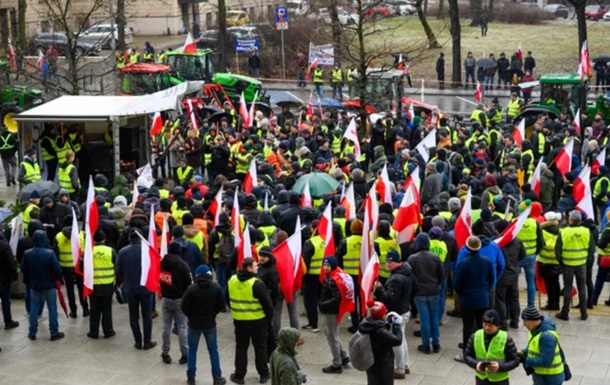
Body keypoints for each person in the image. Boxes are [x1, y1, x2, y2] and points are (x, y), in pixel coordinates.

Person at [227, 257, 273, 384]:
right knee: (260, 349)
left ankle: (239, 375)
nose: (258, 267)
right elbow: (268, 305)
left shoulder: (232, 280)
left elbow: (227, 299)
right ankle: (264, 374)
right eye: (255, 266)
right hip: (258, 322)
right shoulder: (257, 284)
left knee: (241, 348)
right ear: (249, 268)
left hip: (240, 321)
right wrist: (268, 318)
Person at [373, 249, 415, 379]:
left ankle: (399, 369)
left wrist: (380, 289)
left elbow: (389, 298)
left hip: (395, 313)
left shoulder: (396, 278)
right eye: (386, 262)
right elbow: (416, 288)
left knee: (396, 342)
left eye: (389, 262)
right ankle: (405, 365)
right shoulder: (408, 272)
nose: (387, 264)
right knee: (402, 339)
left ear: (396, 262)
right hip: (404, 309)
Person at [182, 264, 227, 385]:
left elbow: (184, 306)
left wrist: (191, 316)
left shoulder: (192, 289)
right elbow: (221, 305)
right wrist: (212, 314)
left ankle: (191, 377)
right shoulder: (216, 288)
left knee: (192, 351)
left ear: (197, 276)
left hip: (194, 324)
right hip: (210, 324)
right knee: (213, 351)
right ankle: (217, 377)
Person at [454, 236, 495, 363]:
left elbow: (457, 284)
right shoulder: (487, 262)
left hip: (467, 299)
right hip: (483, 298)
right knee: (483, 326)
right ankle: (482, 351)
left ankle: (467, 353)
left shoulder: (462, 264)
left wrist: (462, 294)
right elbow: (491, 279)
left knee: (468, 326)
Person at [116, 228, 157, 350]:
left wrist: (123, 281)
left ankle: (138, 341)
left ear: (129, 238)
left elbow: (118, 270)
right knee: (147, 314)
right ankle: (147, 340)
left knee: (133, 315)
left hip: (130, 287)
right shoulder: (148, 251)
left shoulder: (122, 252)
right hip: (146, 287)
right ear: (141, 237)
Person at [21, 230, 65, 341]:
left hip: (34, 285)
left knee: (34, 308)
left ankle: (32, 332)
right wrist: (56, 278)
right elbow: (57, 270)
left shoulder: (27, 253)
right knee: (52, 308)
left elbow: (23, 269)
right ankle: (54, 332)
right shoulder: (50, 253)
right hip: (49, 284)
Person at [555, 210, 595, 321]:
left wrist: (561, 262)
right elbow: (592, 248)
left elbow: (557, 251)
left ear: (570, 219)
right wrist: (586, 260)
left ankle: (565, 313)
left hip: (567, 264)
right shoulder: (586, 231)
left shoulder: (563, 232)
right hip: (581, 264)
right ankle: (584, 312)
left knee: (567, 289)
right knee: (582, 288)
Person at [408, 233, 444, 355]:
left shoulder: (412, 259)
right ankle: (436, 343)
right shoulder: (435, 257)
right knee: (434, 317)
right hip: (434, 291)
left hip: (419, 293)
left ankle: (425, 345)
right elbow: (442, 276)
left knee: (424, 319)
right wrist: (437, 284)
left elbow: (410, 276)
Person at [463, 309, 520, 385]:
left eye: (490, 325)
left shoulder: (506, 338)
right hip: (481, 380)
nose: (487, 327)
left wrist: (499, 367)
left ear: (497, 326)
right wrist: (476, 364)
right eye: (485, 324)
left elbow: (515, 361)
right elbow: (467, 356)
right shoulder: (475, 336)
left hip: (500, 381)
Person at [160, 242, 193, 365]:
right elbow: (189, 284)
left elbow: (162, 279)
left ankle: (165, 352)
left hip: (166, 298)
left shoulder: (163, 263)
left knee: (166, 326)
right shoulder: (183, 265)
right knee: (182, 327)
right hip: (180, 300)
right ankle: (184, 353)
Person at [319, 256, 352, 374]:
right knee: (332, 334)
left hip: (332, 311)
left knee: (331, 337)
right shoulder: (336, 275)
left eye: (328, 265)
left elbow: (337, 298)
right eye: (324, 265)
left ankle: (336, 364)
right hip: (334, 310)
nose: (326, 268)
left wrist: (323, 304)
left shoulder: (332, 279)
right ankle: (343, 356)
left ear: (332, 266)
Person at [358, 300, 403, 385]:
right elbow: (397, 340)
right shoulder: (379, 331)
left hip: (372, 362)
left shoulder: (367, 324)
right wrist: (396, 325)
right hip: (383, 364)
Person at [518, 307, 566, 384]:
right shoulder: (534, 330)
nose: (523, 324)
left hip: (551, 378)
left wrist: (525, 360)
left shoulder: (546, 336)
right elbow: (533, 346)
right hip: (540, 375)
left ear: (533, 321)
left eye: (525, 321)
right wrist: (522, 352)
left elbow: (546, 361)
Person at [54, 216, 88, 319]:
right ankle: (85, 309)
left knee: (70, 289)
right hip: (79, 266)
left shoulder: (59, 236)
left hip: (65, 266)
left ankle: (73, 311)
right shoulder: (82, 235)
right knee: (82, 288)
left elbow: (56, 253)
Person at [88, 230, 117, 339]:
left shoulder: (88, 251)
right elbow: (117, 266)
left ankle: (93, 332)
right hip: (107, 285)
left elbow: (81, 267)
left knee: (94, 310)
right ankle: (108, 331)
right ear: (104, 239)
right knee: (107, 309)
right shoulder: (111, 251)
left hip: (93, 285)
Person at [0, 230, 19, 330]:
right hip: (3, 278)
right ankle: (8, 322)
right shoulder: (4, 245)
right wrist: (14, 276)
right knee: (5, 300)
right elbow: (11, 263)